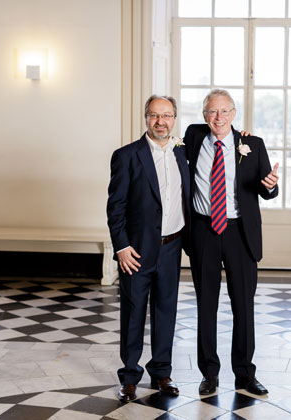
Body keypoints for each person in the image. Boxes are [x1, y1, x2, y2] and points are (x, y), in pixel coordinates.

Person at [184, 89, 279, 396]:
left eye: (225, 111)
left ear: (234, 114)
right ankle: (209, 374)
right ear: (204, 115)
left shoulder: (253, 144)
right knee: (206, 306)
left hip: (240, 233)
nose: (219, 117)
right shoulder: (194, 136)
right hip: (203, 231)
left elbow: (267, 190)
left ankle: (245, 374)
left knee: (243, 306)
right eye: (212, 111)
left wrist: (271, 186)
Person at [107, 95, 189, 402]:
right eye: (155, 116)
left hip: (172, 245)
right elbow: (115, 207)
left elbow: (214, 129)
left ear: (174, 119)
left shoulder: (182, 152)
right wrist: (122, 247)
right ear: (146, 119)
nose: (161, 122)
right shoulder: (127, 155)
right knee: (133, 312)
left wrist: (243, 136)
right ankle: (129, 376)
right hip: (136, 250)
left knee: (166, 311)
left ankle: (161, 373)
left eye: (166, 116)